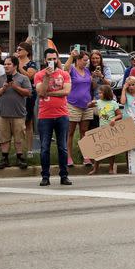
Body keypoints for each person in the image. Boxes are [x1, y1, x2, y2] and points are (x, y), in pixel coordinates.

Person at [34, 48, 73, 186]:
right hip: (45, 116)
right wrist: (47, 78)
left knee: (62, 147)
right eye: (49, 59)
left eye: (54, 59)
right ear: (45, 60)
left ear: (58, 59)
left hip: (62, 114)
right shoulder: (39, 75)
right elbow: (41, 92)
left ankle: (64, 175)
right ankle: (45, 176)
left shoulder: (64, 74)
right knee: (45, 147)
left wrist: (50, 93)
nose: (52, 61)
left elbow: (66, 91)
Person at [0, 56, 32, 170]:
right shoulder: (0, 78)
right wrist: (3, 88)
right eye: (5, 64)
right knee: (3, 137)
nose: (6, 66)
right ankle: (4, 158)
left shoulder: (23, 78)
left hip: (18, 114)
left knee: (19, 137)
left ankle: (20, 157)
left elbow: (28, 93)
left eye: (9, 64)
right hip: (3, 114)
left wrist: (15, 86)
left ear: (15, 65)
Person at [64, 50, 95, 166]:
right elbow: (65, 69)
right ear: (78, 60)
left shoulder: (87, 71)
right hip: (73, 104)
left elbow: (91, 86)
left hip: (87, 105)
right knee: (70, 132)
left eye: (87, 60)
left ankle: (86, 156)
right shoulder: (72, 69)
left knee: (84, 132)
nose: (86, 63)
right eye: (84, 60)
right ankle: (68, 157)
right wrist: (71, 56)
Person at [92, 85, 122, 175]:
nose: (99, 94)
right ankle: (95, 168)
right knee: (98, 149)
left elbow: (120, 115)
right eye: (98, 93)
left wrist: (114, 119)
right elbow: (89, 106)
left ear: (106, 93)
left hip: (111, 129)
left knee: (112, 150)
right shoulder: (98, 102)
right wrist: (90, 104)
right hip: (102, 128)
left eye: (101, 93)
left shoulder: (113, 103)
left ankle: (111, 168)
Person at [16, 42, 38, 158]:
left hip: (28, 95)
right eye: (17, 49)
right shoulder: (14, 61)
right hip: (15, 95)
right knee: (17, 124)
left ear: (27, 52)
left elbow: (30, 76)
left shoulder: (31, 64)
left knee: (28, 122)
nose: (18, 51)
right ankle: (19, 149)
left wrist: (19, 66)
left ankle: (29, 150)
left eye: (20, 49)